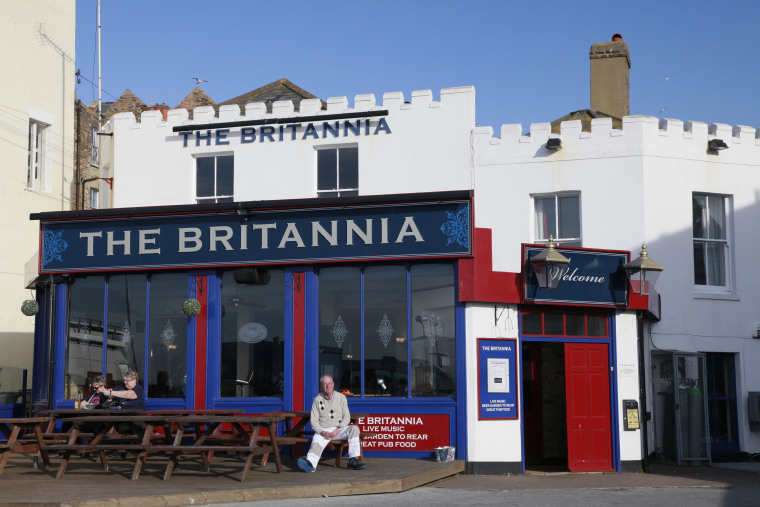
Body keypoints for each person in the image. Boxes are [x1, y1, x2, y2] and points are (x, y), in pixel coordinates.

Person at [297, 375, 366, 472]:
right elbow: (313, 421)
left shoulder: (341, 397)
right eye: (325, 384)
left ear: (333, 384)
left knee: (354, 428)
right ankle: (310, 465)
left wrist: (339, 429)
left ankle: (353, 461)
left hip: (339, 430)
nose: (327, 386)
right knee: (316, 443)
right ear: (321, 386)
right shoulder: (317, 400)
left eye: (329, 383)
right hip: (323, 430)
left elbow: (347, 417)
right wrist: (322, 432)